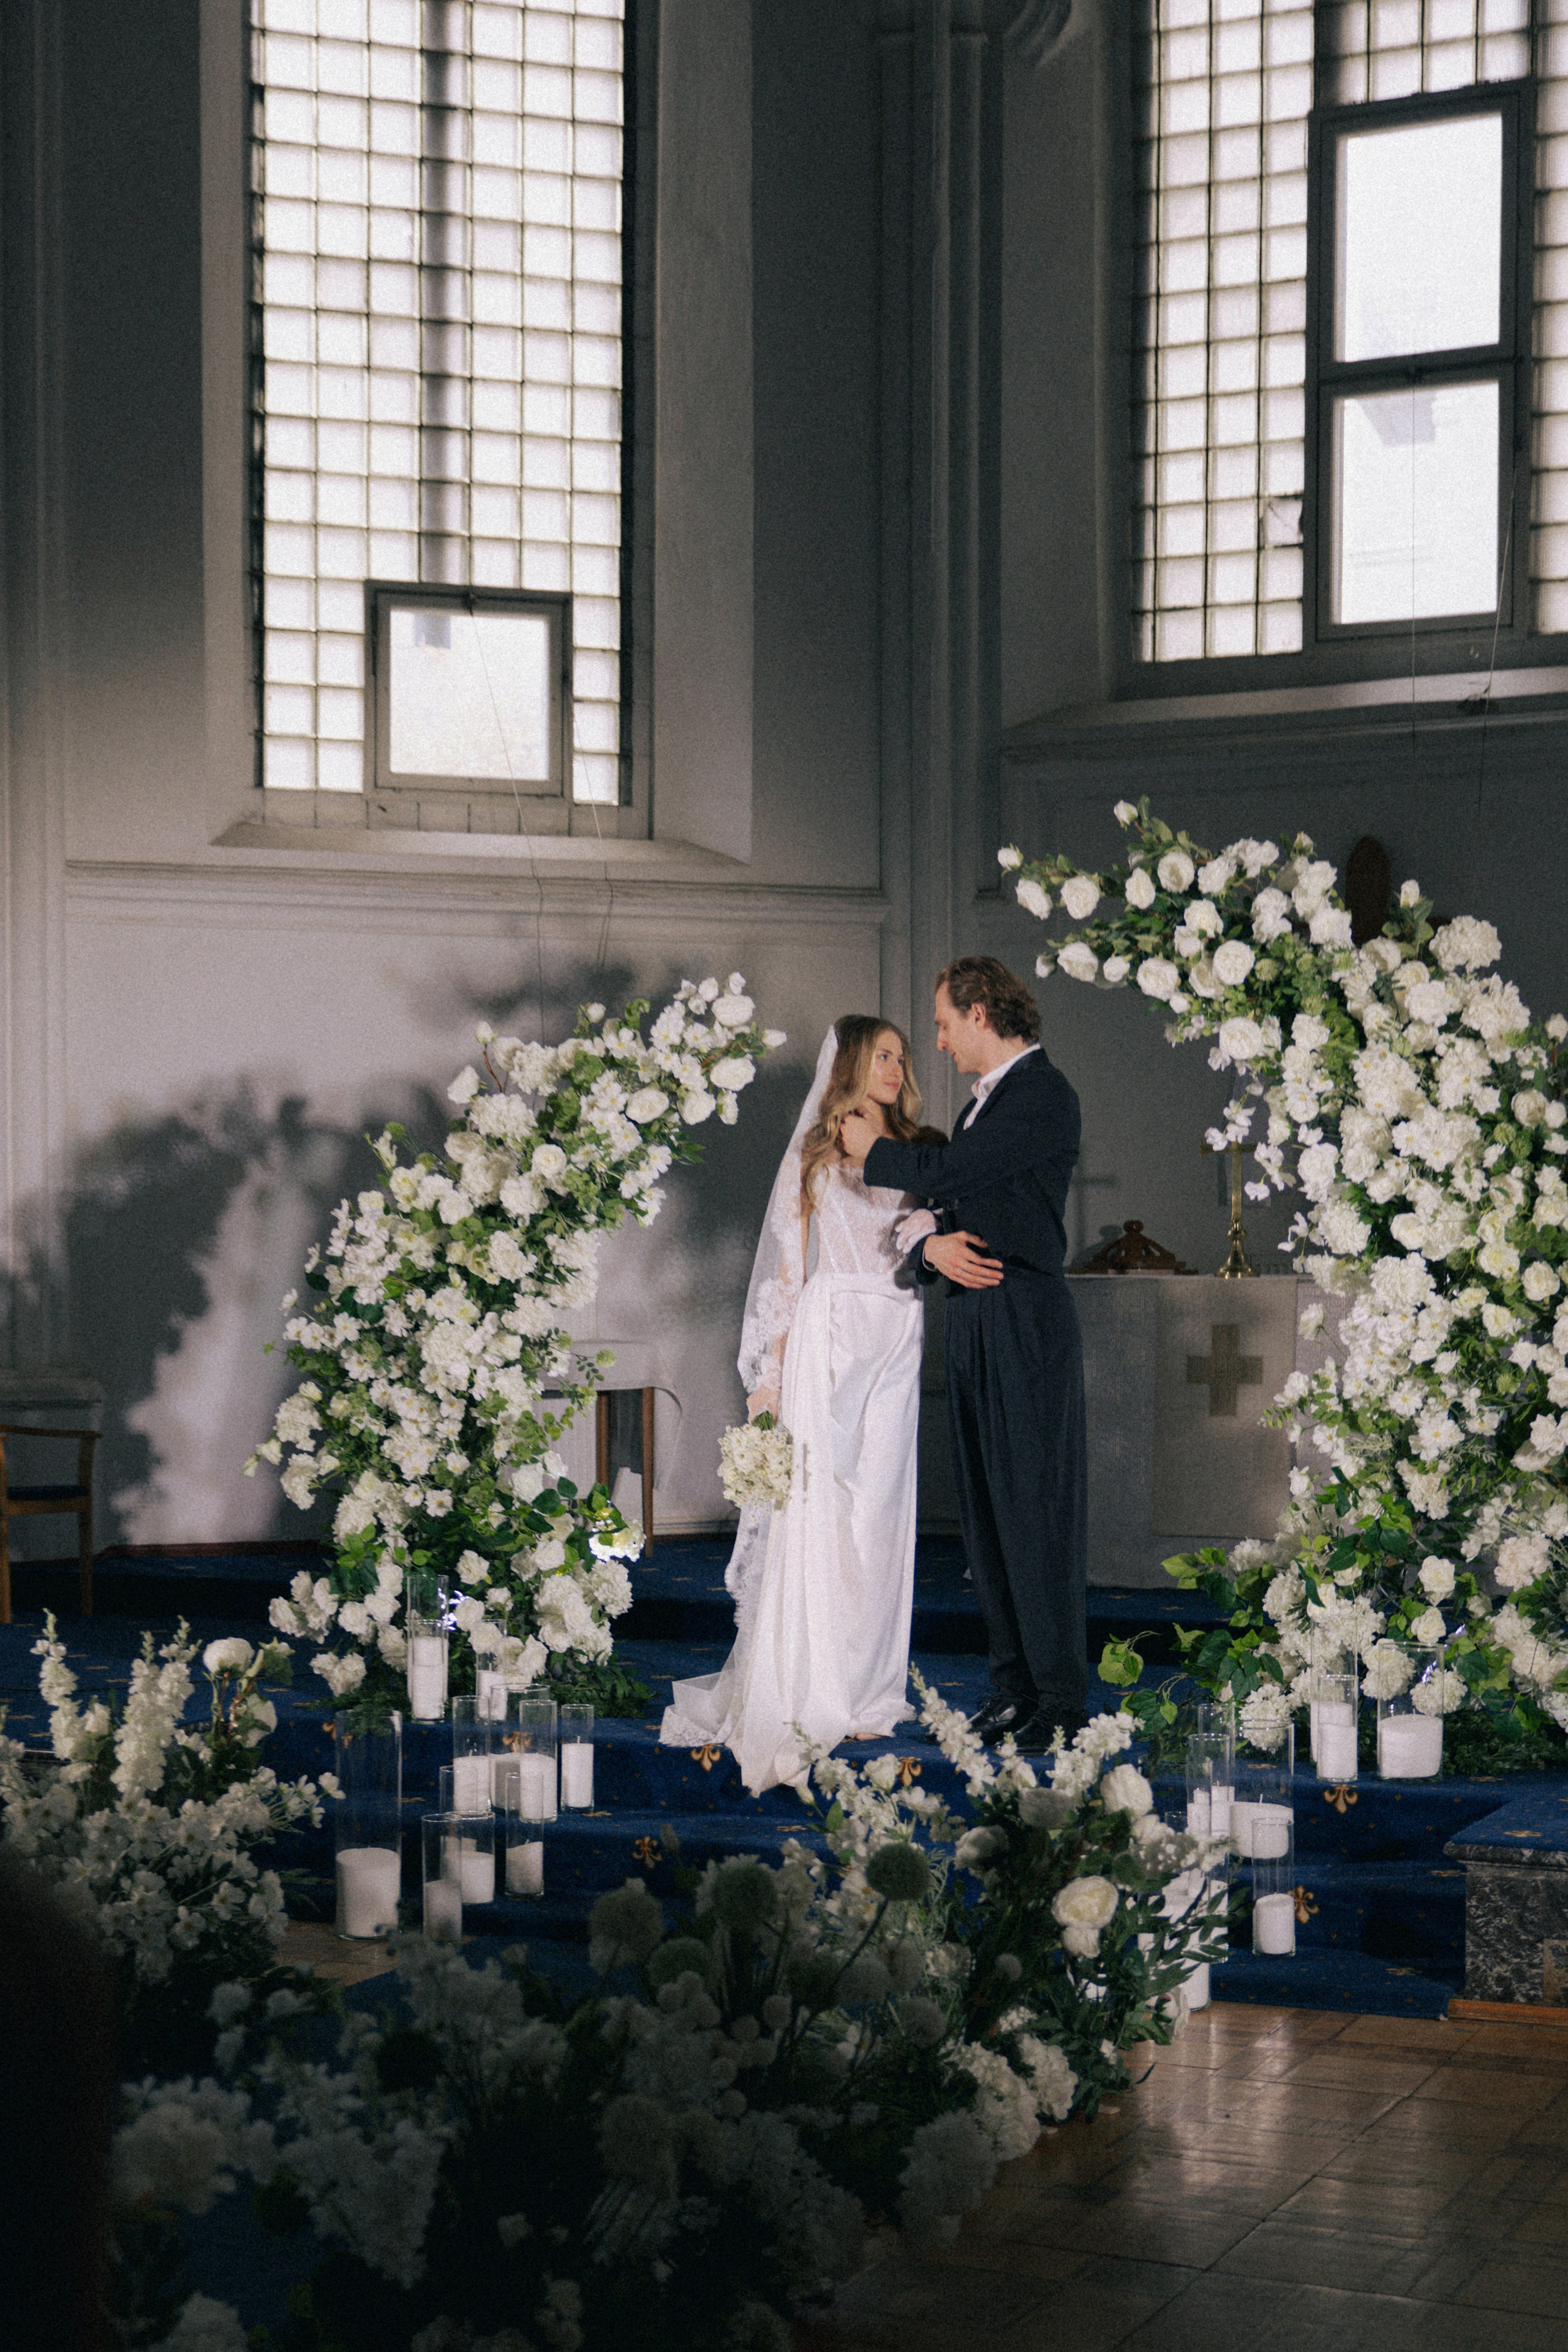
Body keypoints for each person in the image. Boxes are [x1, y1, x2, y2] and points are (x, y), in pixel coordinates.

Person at [661, 1016, 944, 1793]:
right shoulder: (818, 1149)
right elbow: (788, 1266)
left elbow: (942, 1221)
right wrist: (768, 1379)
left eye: (901, 1054)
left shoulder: (920, 1144)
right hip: (828, 1333)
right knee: (822, 1509)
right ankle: (818, 1677)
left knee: (881, 1510)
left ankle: (869, 1686)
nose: (895, 1065)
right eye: (881, 1054)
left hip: (896, 1329)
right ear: (852, 1062)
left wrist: (932, 1218)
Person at [841, 956, 1087, 1754]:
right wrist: (928, 1236)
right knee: (986, 1516)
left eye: (944, 1025)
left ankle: (1059, 1698)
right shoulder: (990, 1103)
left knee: (1032, 1511)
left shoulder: (1044, 1095)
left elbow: (951, 1171)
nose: (938, 1043)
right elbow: (957, 1196)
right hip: (981, 1313)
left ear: (982, 1013)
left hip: (1023, 1315)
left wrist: (870, 1149)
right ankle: (1014, 1687)